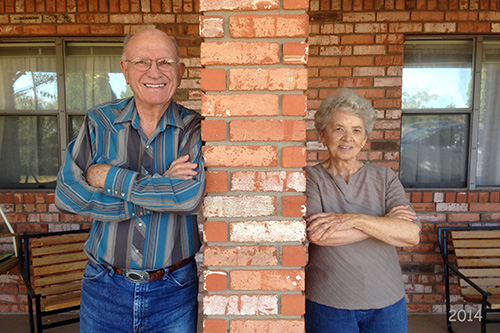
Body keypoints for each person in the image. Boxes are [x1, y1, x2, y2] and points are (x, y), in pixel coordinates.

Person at [55, 27, 205, 332]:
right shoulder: (99, 122)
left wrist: (109, 177)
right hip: (104, 287)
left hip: (173, 289)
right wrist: (161, 185)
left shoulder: (195, 128)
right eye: (142, 62)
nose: (155, 72)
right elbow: (67, 194)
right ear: (125, 70)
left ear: (181, 70)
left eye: (165, 62)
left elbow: (188, 197)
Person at [305, 88, 421, 333]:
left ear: (365, 139)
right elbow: (318, 234)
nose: (348, 138)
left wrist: (353, 219)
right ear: (322, 134)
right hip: (328, 302)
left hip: (387, 302)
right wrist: (383, 224)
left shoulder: (384, 177)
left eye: (356, 131)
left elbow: (410, 235)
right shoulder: (310, 178)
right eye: (339, 129)